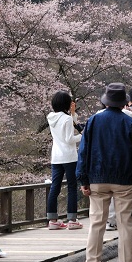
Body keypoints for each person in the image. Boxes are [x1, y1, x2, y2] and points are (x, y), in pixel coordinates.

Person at [77, 83, 132, 262]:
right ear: (123, 102)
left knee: (96, 225)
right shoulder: (130, 123)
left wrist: (83, 179)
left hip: (97, 179)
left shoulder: (93, 121)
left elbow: (83, 152)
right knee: (126, 226)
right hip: (124, 180)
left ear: (105, 101)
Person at [46, 91, 83, 230]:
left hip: (56, 157)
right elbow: (69, 139)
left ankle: (52, 220)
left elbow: (67, 124)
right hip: (69, 157)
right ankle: (72, 219)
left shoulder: (50, 117)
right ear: (66, 104)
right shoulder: (67, 119)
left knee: (55, 187)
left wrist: (72, 114)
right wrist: (83, 136)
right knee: (72, 187)